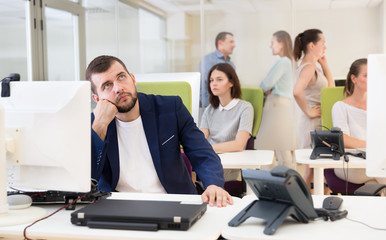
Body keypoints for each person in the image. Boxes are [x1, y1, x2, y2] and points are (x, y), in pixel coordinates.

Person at [86, 55, 233, 207]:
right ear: (97, 99)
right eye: (107, 86)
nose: (118, 88)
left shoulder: (170, 108)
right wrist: (99, 127)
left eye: (121, 77)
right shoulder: (95, 125)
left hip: (172, 203)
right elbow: (86, 181)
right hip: (119, 207)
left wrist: (213, 185)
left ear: (133, 79)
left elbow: (203, 154)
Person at [332, 58, 385, 184]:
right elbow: (343, 139)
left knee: (377, 185)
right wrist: (374, 147)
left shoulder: (381, 106)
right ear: (354, 78)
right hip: (351, 164)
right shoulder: (340, 107)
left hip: (376, 161)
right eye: (367, 76)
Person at [293, 29, 335, 187]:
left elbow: (329, 90)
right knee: (312, 169)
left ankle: (309, 202)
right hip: (311, 123)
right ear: (311, 45)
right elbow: (296, 91)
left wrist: (325, 65)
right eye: (322, 43)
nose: (325, 47)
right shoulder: (308, 67)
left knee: (313, 170)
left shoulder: (312, 66)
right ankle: (305, 202)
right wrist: (308, 111)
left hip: (315, 122)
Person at [200, 63, 254, 181]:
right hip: (209, 162)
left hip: (230, 164)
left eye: (219, 79)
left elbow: (238, 145)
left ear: (231, 82)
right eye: (211, 80)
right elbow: (200, 141)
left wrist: (207, 148)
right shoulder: (209, 110)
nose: (214, 83)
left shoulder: (245, 108)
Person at [255, 30, 297, 170]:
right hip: (283, 104)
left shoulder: (283, 61)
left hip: (276, 104)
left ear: (281, 44)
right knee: (282, 145)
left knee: (266, 145)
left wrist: (267, 87)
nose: (270, 46)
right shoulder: (290, 62)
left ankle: (272, 178)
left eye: (273, 42)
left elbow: (265, 84)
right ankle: (288, 178)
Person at [199, 32, 236, 108]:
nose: (234, 45)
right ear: (220, 43)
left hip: (228, 106)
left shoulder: (231, 64)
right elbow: (205, 87)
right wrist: (213, 107)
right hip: (211, 106)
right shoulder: (208, 60)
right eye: (231, 42)